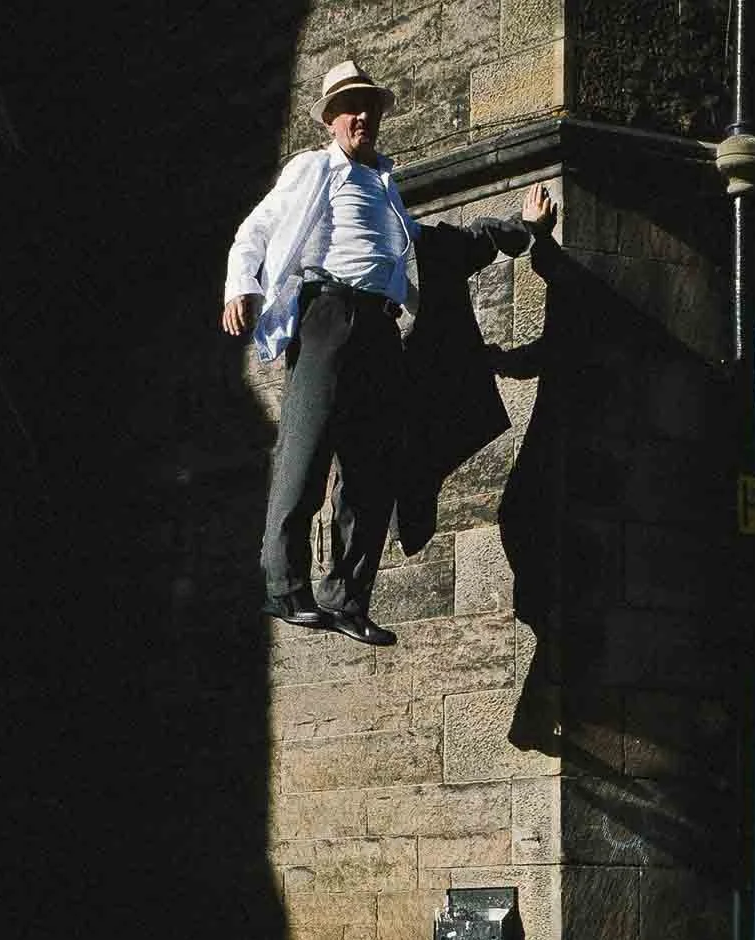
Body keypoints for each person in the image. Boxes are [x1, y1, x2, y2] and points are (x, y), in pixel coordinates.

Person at [222, 59, 555, 646]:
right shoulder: (314, 170)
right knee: (307, 450)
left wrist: (521, 229)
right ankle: (282, 584)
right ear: (330, 120)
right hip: (329, 316)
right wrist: (240, 285)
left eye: (369, 108)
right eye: (350, 108)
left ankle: (346, 597)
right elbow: (256, 228)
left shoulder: (387, 190)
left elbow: (449, 243)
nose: (362, 117)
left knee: (373, 469)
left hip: (379, 330)